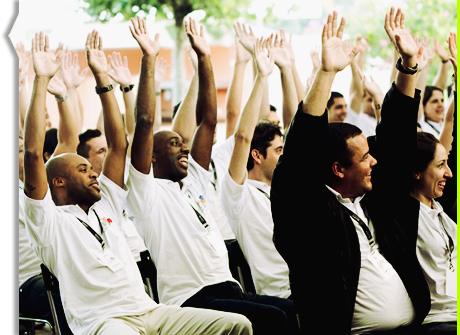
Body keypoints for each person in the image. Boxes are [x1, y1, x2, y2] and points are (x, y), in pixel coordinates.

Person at [22, 29, 252, 335]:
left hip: (150, 312)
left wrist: (102, 78)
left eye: (92, 167)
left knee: (238, 325)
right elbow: (34, 153)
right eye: (83, 168)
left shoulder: (108, 204)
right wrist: (39, 80)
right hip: (106, 323)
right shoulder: (47, 221)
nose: (94, 172)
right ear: (59, 181)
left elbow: (120, 145)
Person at [126, 16, 295, 335]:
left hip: (229, 288)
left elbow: (209, 122)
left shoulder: (194, 183)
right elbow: (146, 121)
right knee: (274, 320)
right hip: (191, 300)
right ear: (152, 156)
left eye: (183, 143)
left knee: (300, 312)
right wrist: (149, 58)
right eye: (174, 144)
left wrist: (205, 59)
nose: (184, 149)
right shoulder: (144, 194)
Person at [271, 8, 430, 334]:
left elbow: (397, 143)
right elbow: (299, 158)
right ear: (337, 169)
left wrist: (407, 67)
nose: (374, 162)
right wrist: (326, 73)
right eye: (364, 158)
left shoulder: (371, 202)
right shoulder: (311, 215)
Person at [220, 36, 290, 299]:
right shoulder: (239, 195)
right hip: (282, 294)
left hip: (315, 281)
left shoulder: (283, 189)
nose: (284, 157)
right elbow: (242, 137)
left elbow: (296, 120)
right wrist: (261, 76)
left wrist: (286, 69)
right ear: (257, 156)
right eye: (278, 151)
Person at [409, 31, 457, 335]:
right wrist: (412, 66)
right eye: (441, 166)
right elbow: (402, 132)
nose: (449, 173)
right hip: (440, 322)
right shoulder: (403, 212)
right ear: (415, 171)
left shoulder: (440, 209)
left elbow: (449, 130)